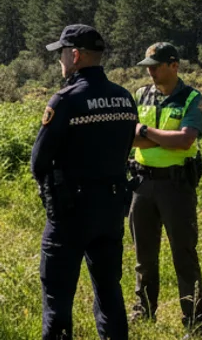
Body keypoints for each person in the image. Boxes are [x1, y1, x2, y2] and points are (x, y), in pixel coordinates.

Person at [31, 24, 137, 340]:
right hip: (111, 208)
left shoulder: (65, 100)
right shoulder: (123, 98)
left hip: (70, 212)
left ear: (75, 55)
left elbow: (39, 161)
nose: (60, 61)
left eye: (62, 53)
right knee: (109, 292)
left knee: (57, 297)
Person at [129, 42, 202, 333]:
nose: (149, 71)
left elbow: (185, 140)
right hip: (142, 183)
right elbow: (130, 138)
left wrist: (147, 132)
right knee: (144, 256)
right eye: (147, 66)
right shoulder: (141, 94)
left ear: (173, 65)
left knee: (184, 255)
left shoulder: (191, 98)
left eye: (155, 65)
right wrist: (164, 137)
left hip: (176, 186)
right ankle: (144, 312)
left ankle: (194, 321)